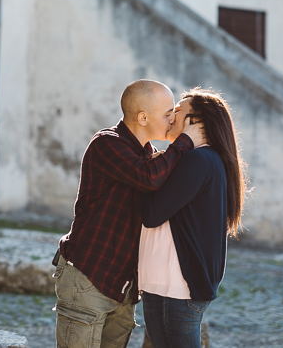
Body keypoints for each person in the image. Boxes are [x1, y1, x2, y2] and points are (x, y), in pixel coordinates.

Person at [54, 79, 206, 348]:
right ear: (143, 117)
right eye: (168, 113)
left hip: (123, 286)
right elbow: (147, 177)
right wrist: (184, 142)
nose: (172, 120)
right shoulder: (106, 144)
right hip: (89, 275)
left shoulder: (153, 155)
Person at [138, 88, 247, 348]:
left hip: (176, 287)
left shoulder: (199, 159)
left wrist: (142, 176)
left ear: (195, 121)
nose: (169, 116)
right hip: (162, 283)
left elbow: (152, 214)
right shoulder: (197, 159)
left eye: (177, 111)